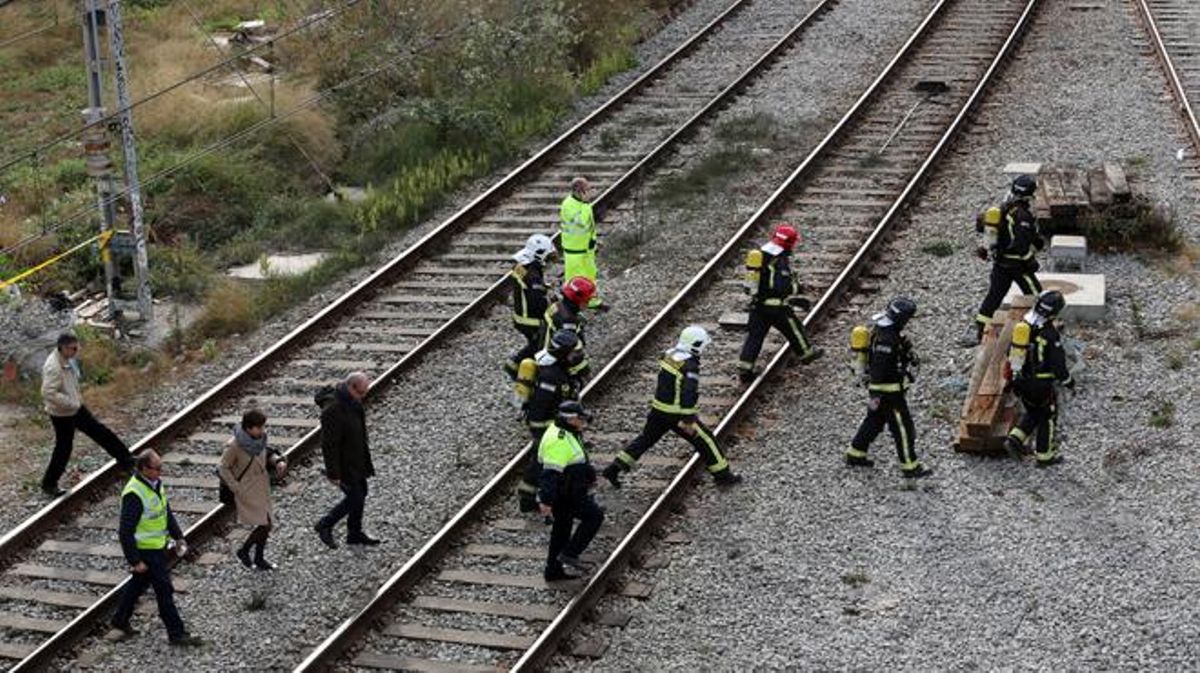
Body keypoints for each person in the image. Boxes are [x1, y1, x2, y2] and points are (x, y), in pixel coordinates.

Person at [602, 325, 741, 488]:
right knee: (706, 440)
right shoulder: (689, 366)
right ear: (696, 345)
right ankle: (723, 476)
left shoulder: (669, 354)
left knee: (645, 439)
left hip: (658, 410)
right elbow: (688, 393)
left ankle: (615, 468)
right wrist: (688, 418)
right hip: (677, 413)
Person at [110, 450, 202, 646]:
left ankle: (120, 619)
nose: (161, 471)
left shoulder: (155, 484)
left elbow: (165, 512)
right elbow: (125, 531)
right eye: (157, 468)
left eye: (161, 467)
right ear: (144, 469)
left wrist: (178, 536)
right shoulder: (134, 494)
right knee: (164, 590)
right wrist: (135, 560)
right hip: (146, 550)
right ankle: (176, 633)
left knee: (138, 584)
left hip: (157, 546)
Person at [845, 297, 932, 478]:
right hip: (889, 393)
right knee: (903, 427)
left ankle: (856, 453)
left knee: (874, 421)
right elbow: (880, 368)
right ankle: (910, 466)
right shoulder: (888, 339)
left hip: (881, 391)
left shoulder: (884, 330)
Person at [40, 332, 134, 496]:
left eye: (77, 347)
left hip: (74, 408)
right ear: (62, 348)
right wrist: (72, 403)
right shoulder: (53, 367)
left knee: (99, 431)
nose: (76, 351)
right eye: (73, 348)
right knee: (64, 448)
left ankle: (126, 459)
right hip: (63, 414)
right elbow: (48, 392)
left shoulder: (65, 359)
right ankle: (49, 484)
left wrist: (75, 402)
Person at [963, 174, 1045, 346]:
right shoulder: (1022, 215)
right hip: (1017, 265)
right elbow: (1022, 244)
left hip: (1000, 263)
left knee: (994, 296)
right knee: (1036, 295)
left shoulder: (1004, 208)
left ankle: (979, 330)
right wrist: (1030, 261)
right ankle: (1042, 328)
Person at [736, 224, 823, 384]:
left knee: (754, 338)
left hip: (757, 306)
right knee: (794, 329)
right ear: (789, 244)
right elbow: (780, 286)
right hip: (776, 308)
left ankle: (745, 368)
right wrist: (797, 288)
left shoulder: (761, 255)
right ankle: (807, 354)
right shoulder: (778, 260)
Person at [516, 329, 585, 513]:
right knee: (543, 462)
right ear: (562, 355)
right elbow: (540, 407)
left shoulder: (558, 369)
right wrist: (549, 430)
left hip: (554, 424)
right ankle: (528, 499)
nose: (577, 356)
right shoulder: (550, 378)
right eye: (573, 353)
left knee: (547, 461)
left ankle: (533, 497)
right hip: (545, 425)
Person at [1004, 290, 1074, 467]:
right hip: (1041, 384)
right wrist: (1068, 381)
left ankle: (1014, 439)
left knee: (1034, 411)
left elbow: (1010, 352)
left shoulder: (1024, 326)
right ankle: (1044, 457)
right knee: (1047, 416)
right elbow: (1058, 365)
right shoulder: (1050, 334)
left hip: (1020, 380)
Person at [538, 401, 604, 581]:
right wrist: (546, 501)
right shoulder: (559, 440)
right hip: (567, 492)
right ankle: (570, 553)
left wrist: (589, 476)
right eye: (580, 418)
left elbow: (577, 459)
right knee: (594, 516)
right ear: (571, 419)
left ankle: (553, 571)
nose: (583, 421)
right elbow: (550, 473)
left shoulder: (567, 431)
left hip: (569, 488)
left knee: (562, 528)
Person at [314, 372, 380, 549]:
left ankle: (354, 533)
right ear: (351, 387)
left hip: (357, 457)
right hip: (345, 463)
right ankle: (325, 524)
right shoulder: (333, 410)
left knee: (362, 492)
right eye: (361, 393)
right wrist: (333, 473)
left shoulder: (352, 401)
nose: (363, 397)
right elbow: (329, 445)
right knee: (355, 497)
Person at [219, 409, 287, 570]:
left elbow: (266, 453)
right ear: (249, 428)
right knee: (266, 524)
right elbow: (223, 468)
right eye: (259, 427)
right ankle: (247, 552)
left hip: (261, 487)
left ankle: (255, 556)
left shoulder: (259, 439)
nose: (263, 430)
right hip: (247, 490)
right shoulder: (235, 446)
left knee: (266, 523)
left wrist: (277, 461)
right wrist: (236, 487)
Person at [504, 234, 555, 380]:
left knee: (534, 342)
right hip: (529, 319)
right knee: (539, 344)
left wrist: (543, 287)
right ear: (538, 254)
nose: (548, 260)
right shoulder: (533, 275)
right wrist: (550, 302)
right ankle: (517, 365)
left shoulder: (523, 266)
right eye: (547, 255)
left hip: (520, 315)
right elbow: (537, 301)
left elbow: (526, 287)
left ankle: (517, 366)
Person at [559, 177, 607, 310]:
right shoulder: (569, 205)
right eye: (588, 190)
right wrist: (586, 205)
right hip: (574, 250)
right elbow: (582, 223)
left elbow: (589, 228)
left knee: (590, 275)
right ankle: (572, 305)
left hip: (586, 248)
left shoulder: (581, 203)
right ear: (580, 192)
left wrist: (593, 242)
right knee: (575, 279)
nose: (591, 192)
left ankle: (592, 300)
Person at [539, 276, 596, 383]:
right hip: (555, 364)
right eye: (587, 299)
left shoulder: (557, 306)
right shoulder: (568, 321)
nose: (588, 302)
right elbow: (571, 353)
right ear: (577, 300)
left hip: (545, 352)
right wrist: (585, 373)